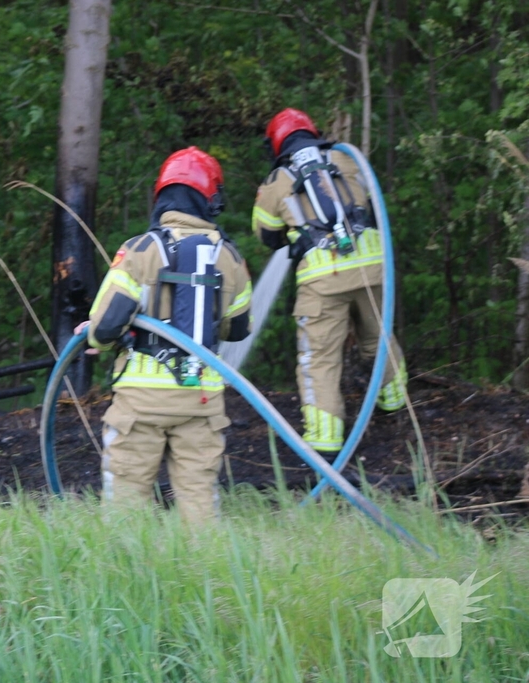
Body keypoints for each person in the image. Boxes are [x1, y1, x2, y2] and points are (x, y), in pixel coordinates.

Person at [78, 147, 252, 524]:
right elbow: (237, 329)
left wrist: (96, 339)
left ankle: (126, 562)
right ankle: (204, 561)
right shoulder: (231, 258)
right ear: (212, 199)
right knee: (199, 498)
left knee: (126, 497)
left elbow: (106, 326)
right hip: (201, 399)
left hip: (141, 402)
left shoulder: (139, 250)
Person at [252, 107, 407, 454]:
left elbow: (266, 234)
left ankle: (325, 442)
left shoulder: (276, 182)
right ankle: (396, 404)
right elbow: (372, 204)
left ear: (276, 144)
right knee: (378, 336)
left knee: (320, 358)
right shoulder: (346, 158)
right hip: (372, 267)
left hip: (323, 278)